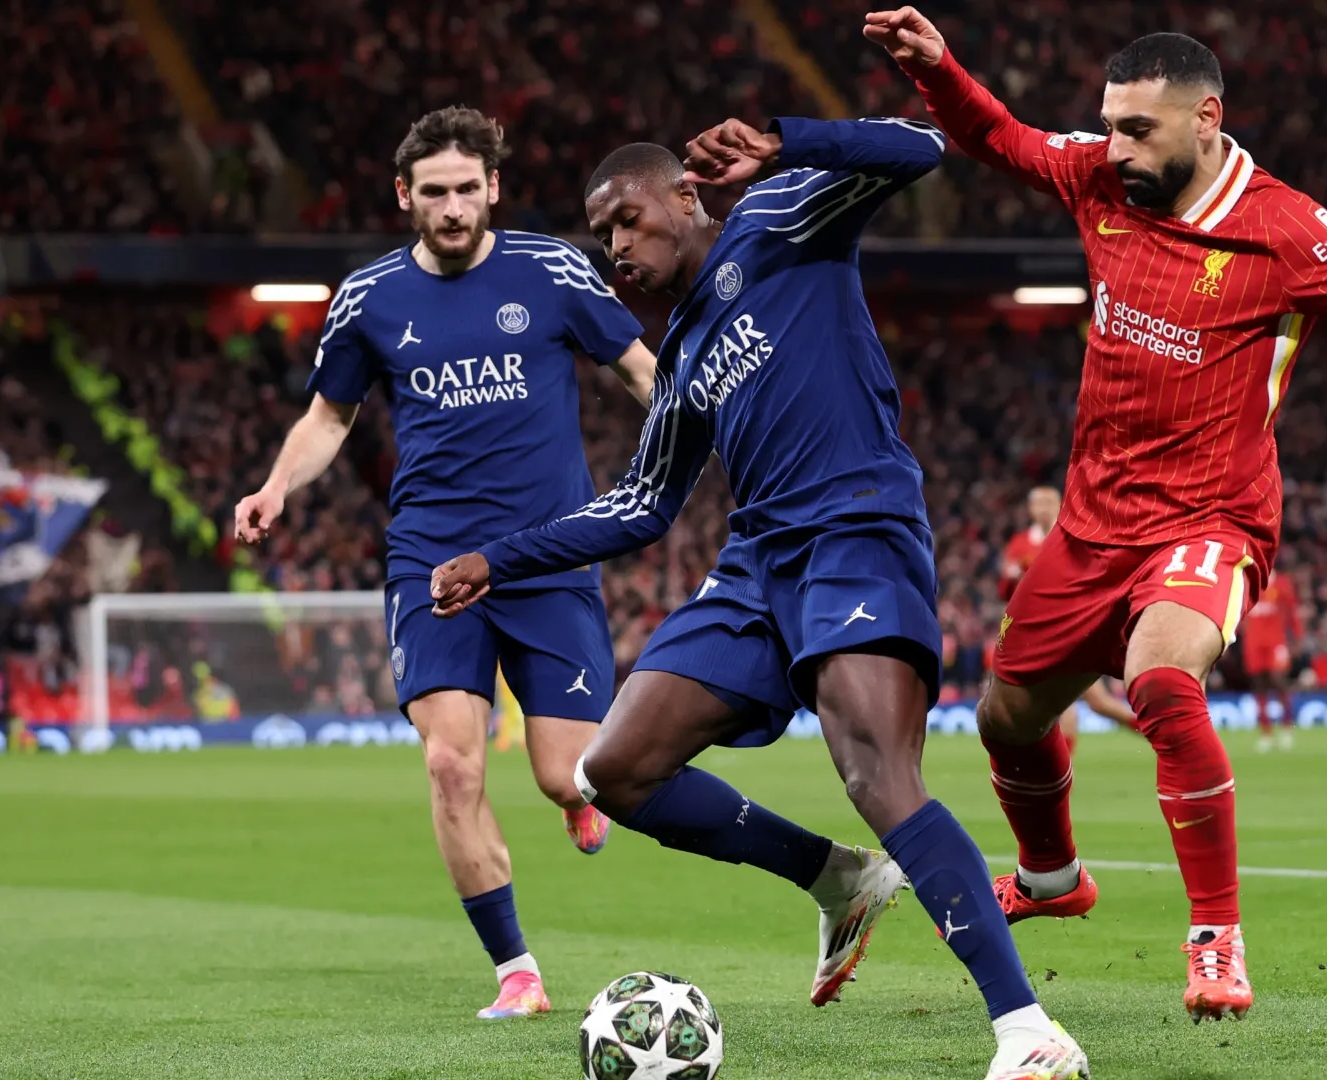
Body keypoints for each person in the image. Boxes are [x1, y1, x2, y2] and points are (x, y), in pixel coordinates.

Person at [866, 8, 1327, 1021]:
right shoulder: (1102, 179)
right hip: (1092, 521)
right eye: (1109, 125)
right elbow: (1004, 139)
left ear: (1208, 119)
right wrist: (939, 71)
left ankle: (1216, 941)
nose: (1114, 148)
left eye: (1137, 130)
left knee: (1159, 680)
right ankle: (1055, 879)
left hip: (1210, 518)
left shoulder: (1285, 228)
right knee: (1005, 720)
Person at [430, 114, 1087, 1079]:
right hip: (757, 569)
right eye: (600, 235)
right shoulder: (686, 353)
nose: (615, 249)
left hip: (856, 527)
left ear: (686, 198)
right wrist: (503, 556)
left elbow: (921, 149)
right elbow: (643, 505)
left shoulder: (781, 214)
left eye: (627, 220)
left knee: (874, 770)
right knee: (612, 770)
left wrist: (789, 140)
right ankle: (836, 878)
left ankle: (1029, 1031)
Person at [232, 106, 658, 1021]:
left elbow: (635, 365)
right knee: (451, 767)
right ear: (405, 197)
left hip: (548, 552)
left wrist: (709, 441)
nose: (455, 207)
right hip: (430, 562)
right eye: (436, 193)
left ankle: (572, 799)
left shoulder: (549, 268)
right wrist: (276, 488)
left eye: (469, 189)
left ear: (493, 187)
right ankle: (517, 972)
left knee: (567, 774)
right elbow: (328, 418)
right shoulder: (367, 297)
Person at [997, 486, 1136, 750]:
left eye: (1049, 502)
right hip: (1031, 631)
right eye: (1039, 503)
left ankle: (1156, 734)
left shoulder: (1071, 538)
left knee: (1085, 702)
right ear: (1030, 509)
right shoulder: (1020, 543)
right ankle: (1156, 735)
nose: (1044, 508)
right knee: (1090, 702)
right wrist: (1010, 577)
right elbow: (1005, 591)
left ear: (1060, 504)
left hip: (1067, 627)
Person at [1243, 571, 1301, 751]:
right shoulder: (1246, 582)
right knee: (1259, 685)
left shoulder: (1282, 584)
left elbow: (1292, 613)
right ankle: (1266, 732)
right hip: (1254, 642)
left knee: (1278, 681)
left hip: (1276, 641)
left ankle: (1286, 728)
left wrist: (1297, 637)